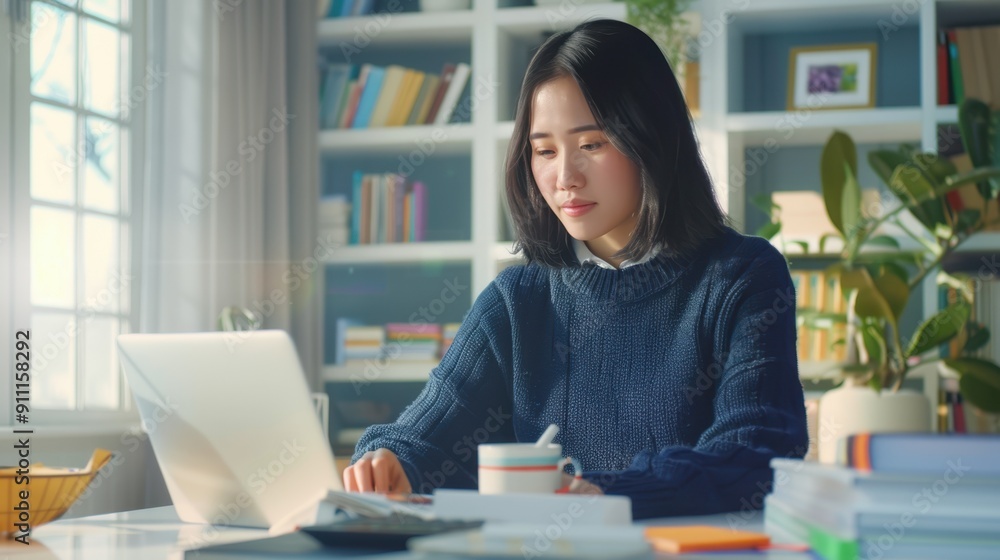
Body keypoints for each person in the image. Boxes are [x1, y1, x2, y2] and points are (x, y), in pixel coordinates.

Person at [344, 18, 807, 519]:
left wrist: (611, 495)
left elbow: (757, 451)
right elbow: (425, 435)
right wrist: (391, 461)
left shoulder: (742, 276)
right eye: (544, 151)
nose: (564, 177)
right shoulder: (518, 298)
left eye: (592, 145)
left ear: (652, 136)